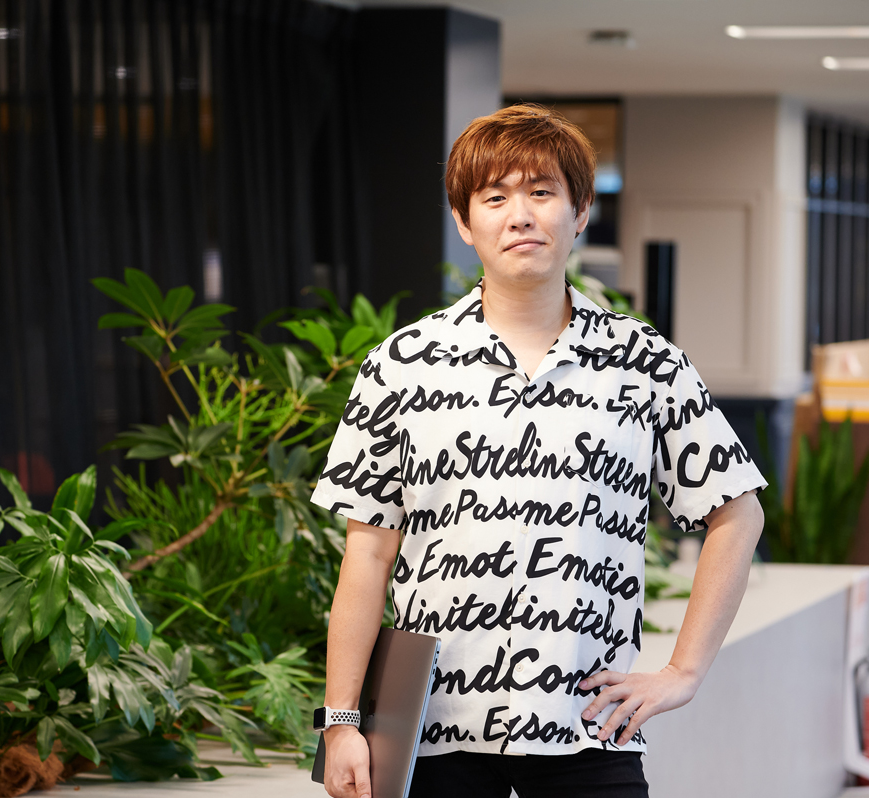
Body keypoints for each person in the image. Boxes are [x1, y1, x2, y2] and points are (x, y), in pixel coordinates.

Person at [309, 103, 767, 798]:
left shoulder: (645, 363)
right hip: (433, 730)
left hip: (587, 722)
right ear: (464, 222)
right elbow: (367, 554)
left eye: (542, 192)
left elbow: (737, 511)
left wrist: (683, 672)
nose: (520, 216)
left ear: (580, 212)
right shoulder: (403, 365)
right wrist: (342, 720)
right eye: (494, 198)